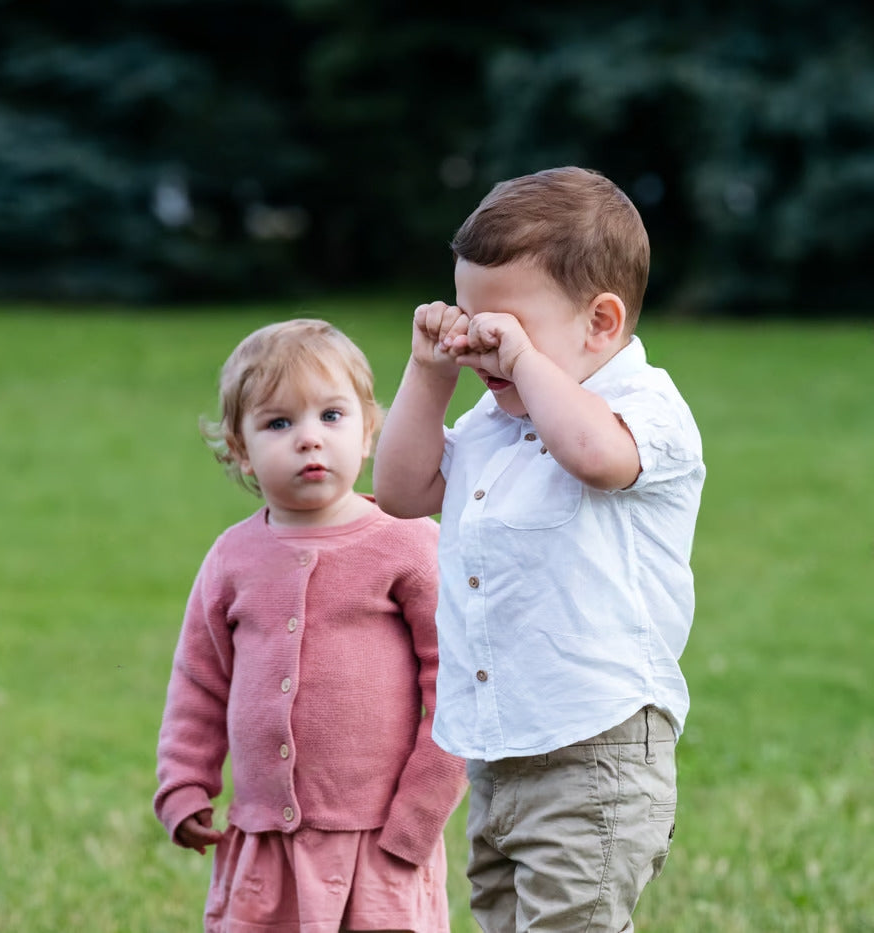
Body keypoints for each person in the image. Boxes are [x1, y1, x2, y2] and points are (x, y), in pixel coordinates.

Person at [372, 166, 705, 932]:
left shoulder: (643, 407)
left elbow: (594, 456)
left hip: (597, 745)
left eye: (508, 329)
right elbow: (401, 489)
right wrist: (428, 373)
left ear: (601, 323)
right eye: (472, 321)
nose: (483, 346)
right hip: (497, 747)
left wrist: (521, 362)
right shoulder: (494, 422)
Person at [154, 319, 466, 933]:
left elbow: (456, 685)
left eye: (332, 416)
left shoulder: (407, 544)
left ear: (370, 430)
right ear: (239, 449)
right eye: (278, 423)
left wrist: (420, 813)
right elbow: (200, 679)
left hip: (381, 840)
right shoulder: (232, 558)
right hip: (266, 843)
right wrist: (184, 783)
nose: (308, 440)